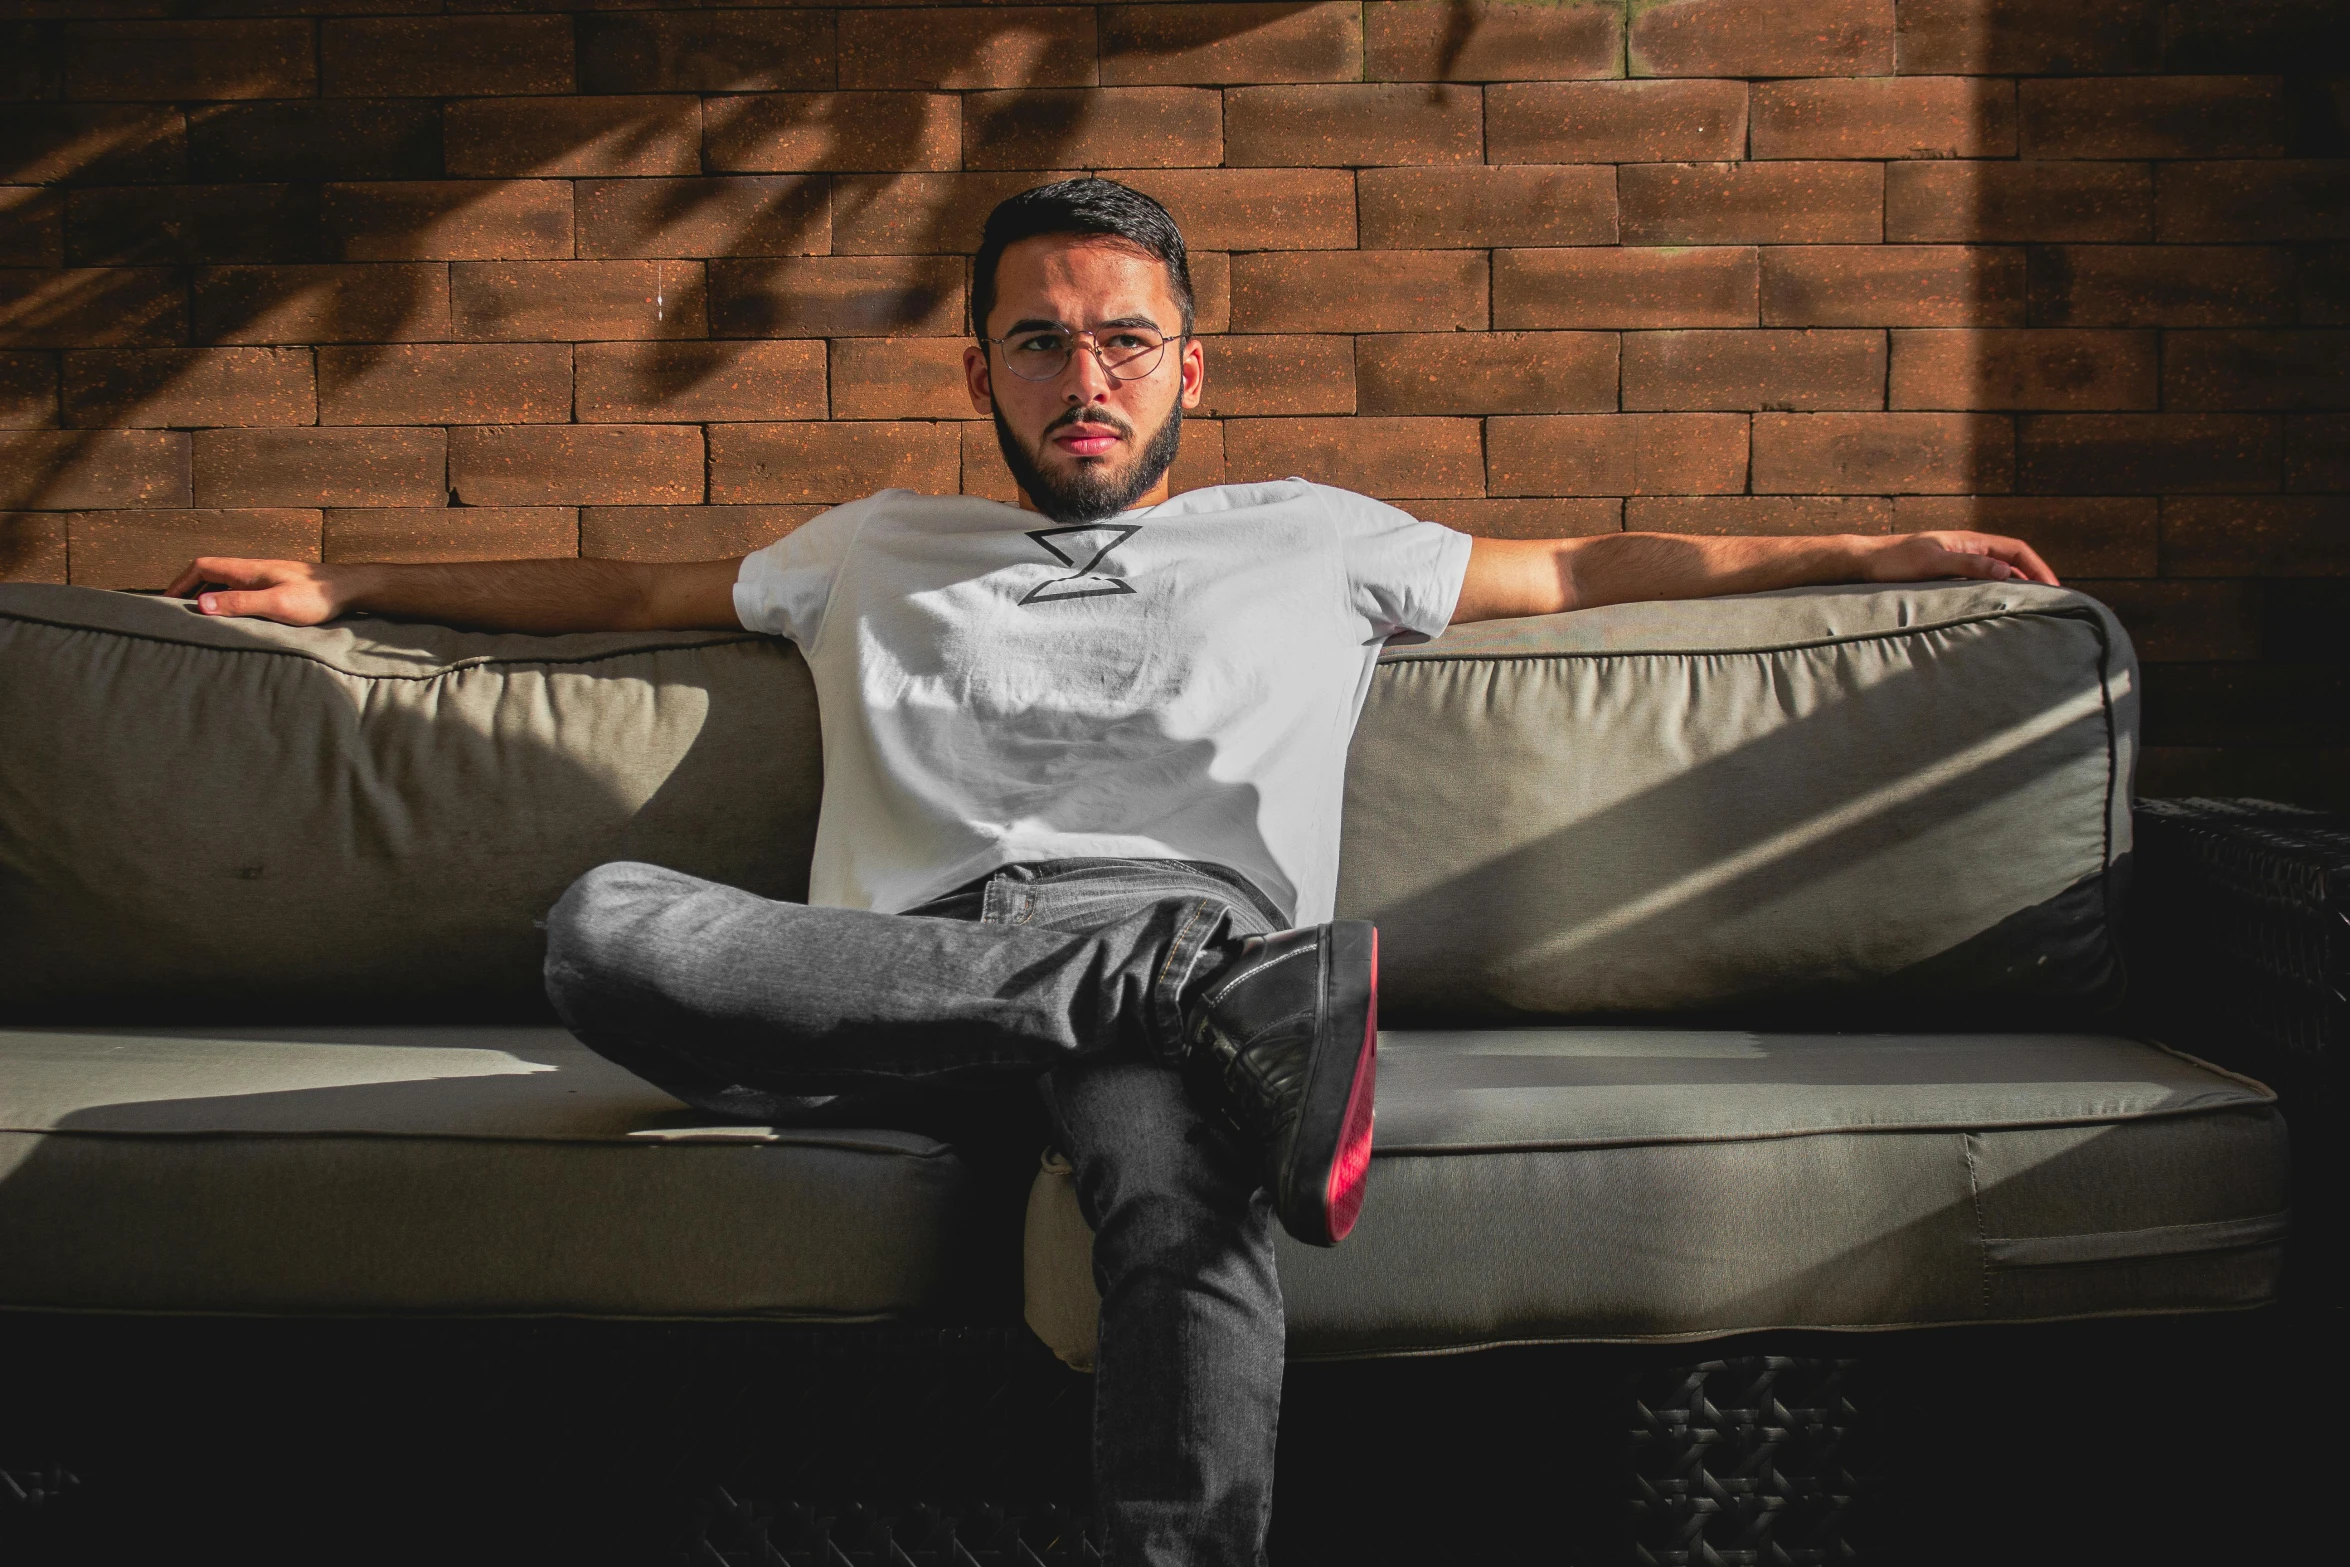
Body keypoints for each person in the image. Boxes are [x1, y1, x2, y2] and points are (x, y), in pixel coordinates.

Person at [169, 177, 2058, 1566]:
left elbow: (1576, 569)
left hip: (1198, 951)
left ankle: (1185, 1043)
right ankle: (1199, 1006)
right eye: (1043, 336)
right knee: (605, 928)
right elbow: (611, 591)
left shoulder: (1312, 538)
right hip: (912, 972)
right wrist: (350, 583)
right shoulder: (871, 543)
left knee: (1178, 1193)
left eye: (1126, 336)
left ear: (1186, 365)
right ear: (982, 364)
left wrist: (1870, 538)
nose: (1088, 371)